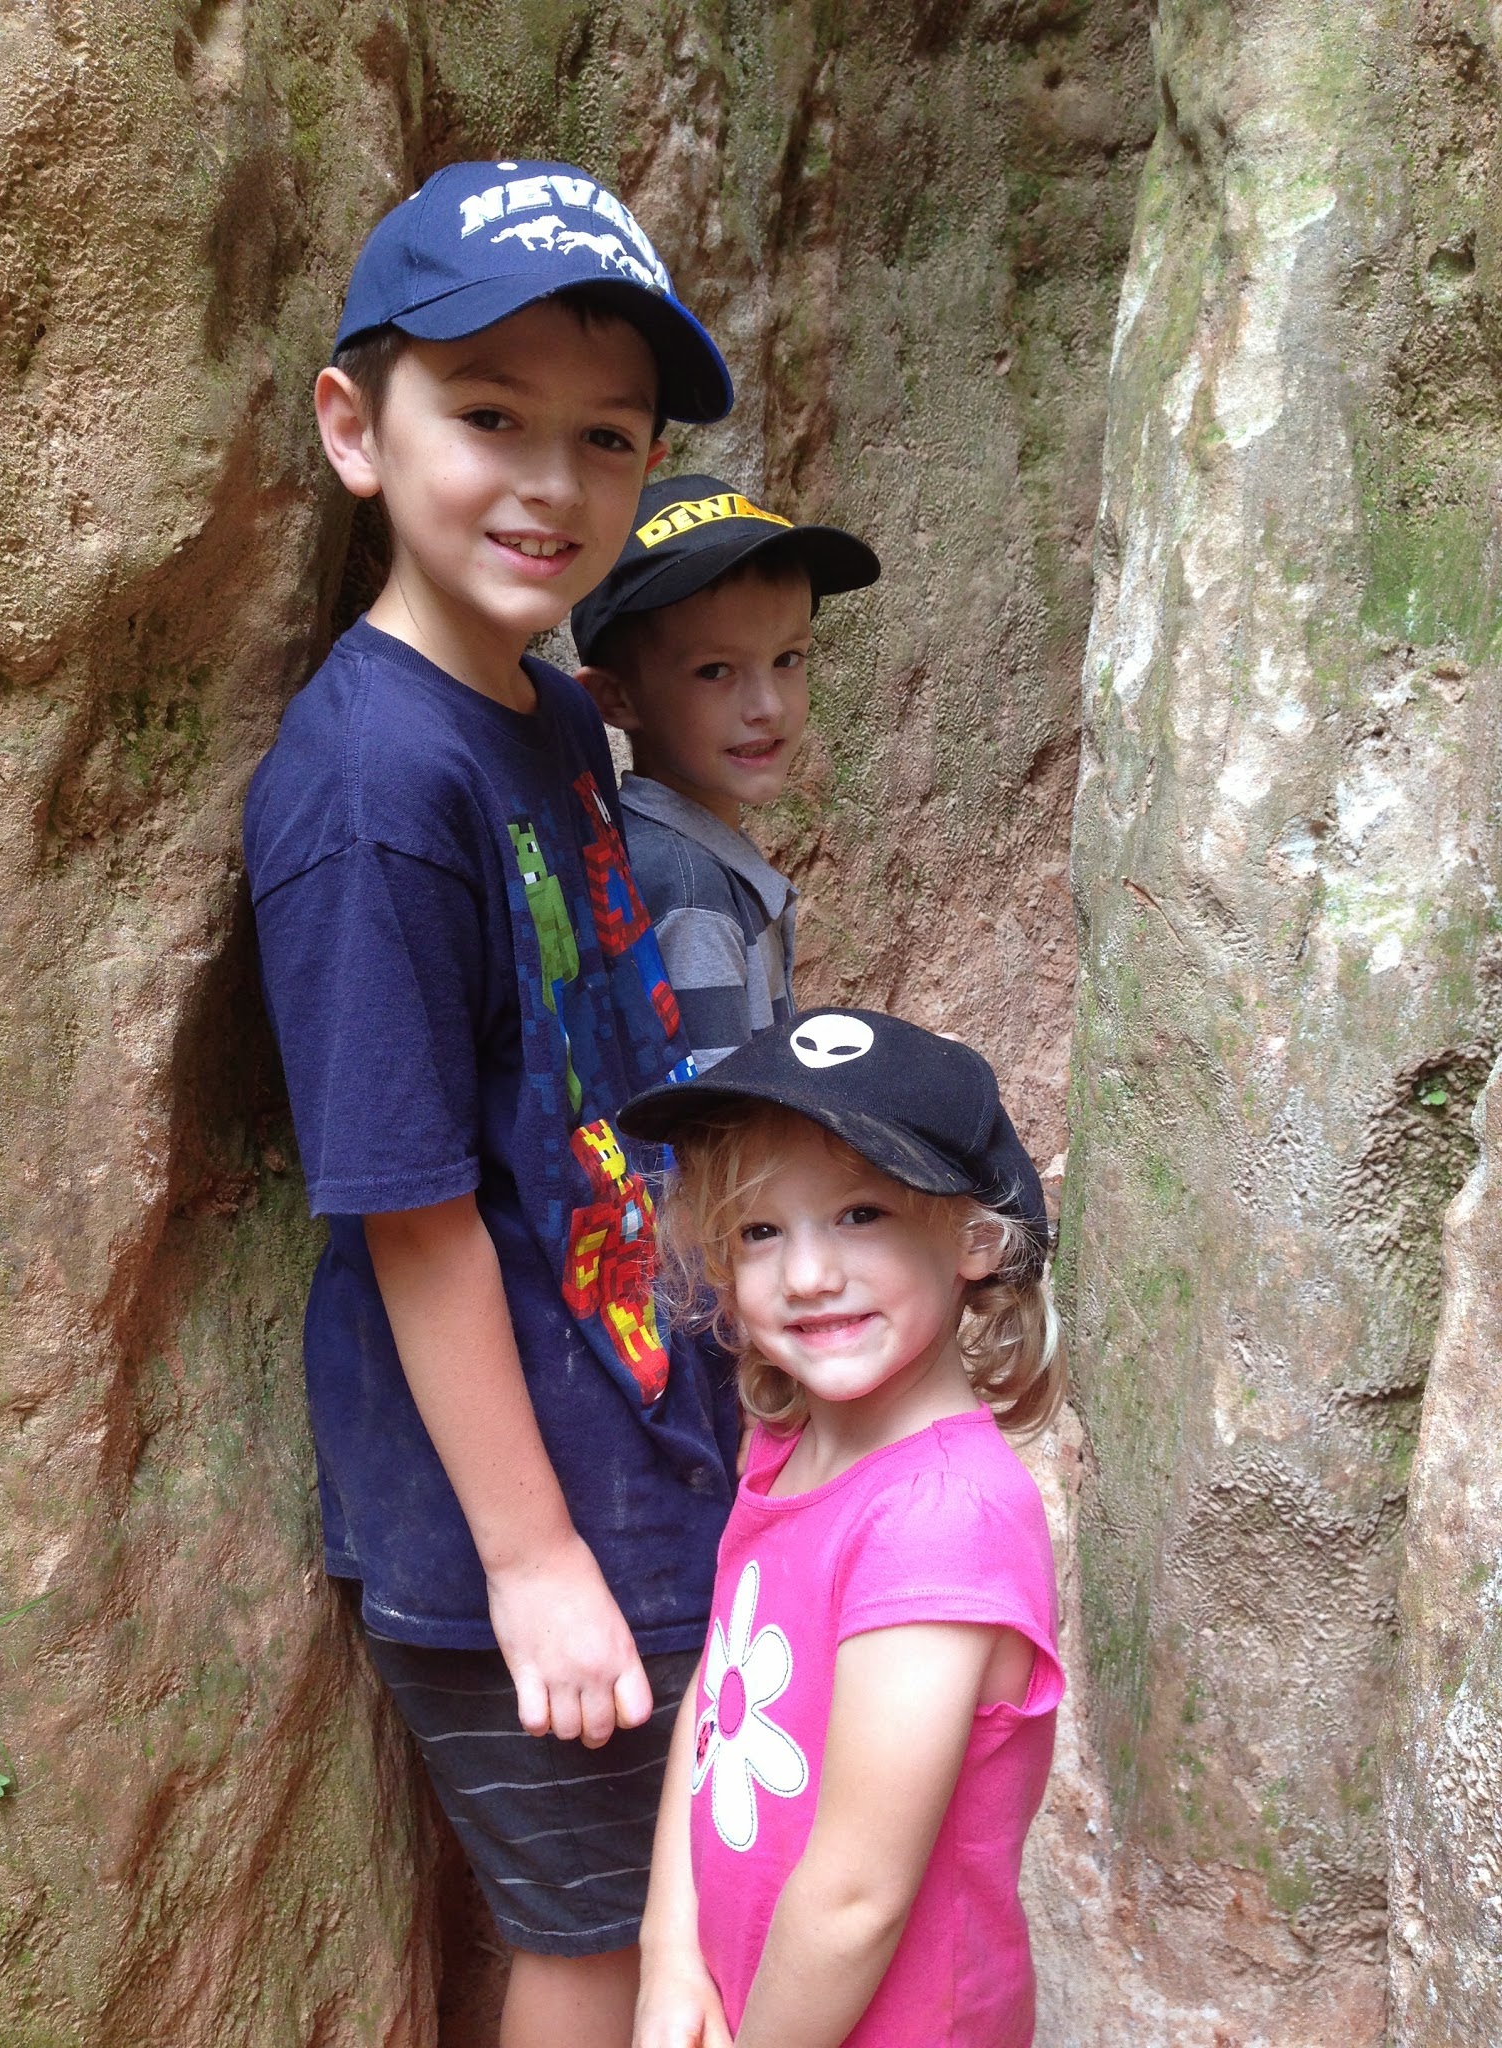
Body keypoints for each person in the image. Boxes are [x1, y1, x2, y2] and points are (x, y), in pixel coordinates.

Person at [242, 159, 742, 2048]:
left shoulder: (551, 717)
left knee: (678, 1895)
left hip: (631, 1424)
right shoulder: (372, 789)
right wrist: (535, 1568)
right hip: (510, 1508)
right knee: (602, 1936)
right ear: (354, 430)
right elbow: (411, 1204)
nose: (551, 480)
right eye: (488, 415)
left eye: (605, 435)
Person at [617, 1009, 1066, 2048]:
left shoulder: (941, 1519)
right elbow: (721, 1698)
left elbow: (856, 1897)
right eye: (760, 1230)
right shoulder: (786, 1441)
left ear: (976, 1236)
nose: (808, 1274)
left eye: (862, 1213)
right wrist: (669, 1948)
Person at [571, 476, 878, 1071]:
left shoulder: (676, 851)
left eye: (788, 658)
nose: (768, 706)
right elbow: (714, 1117)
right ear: (614, 698)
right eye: (715, 670)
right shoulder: (691, 895)